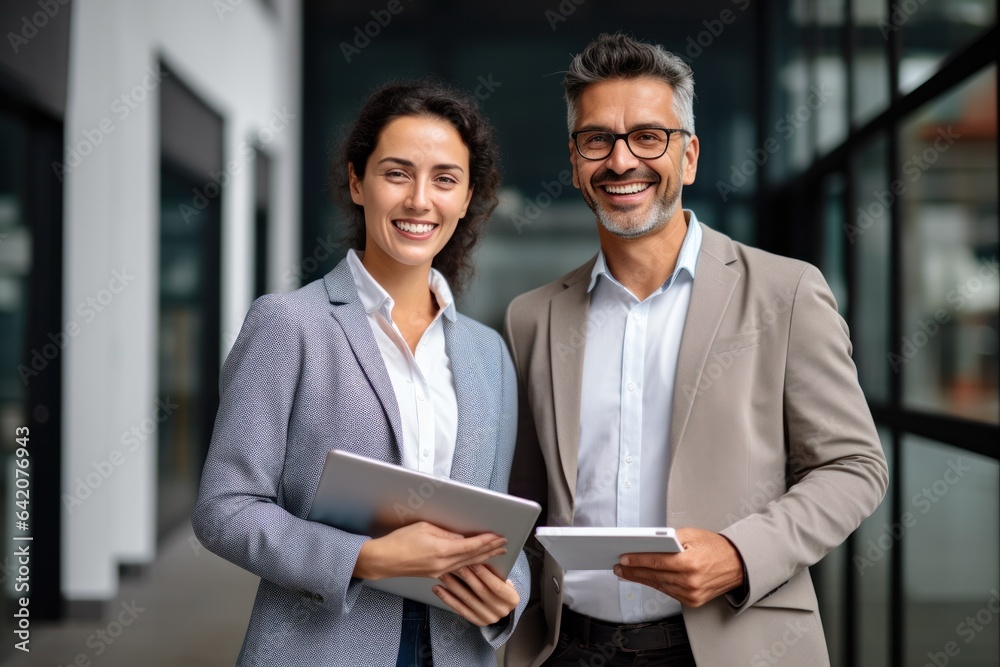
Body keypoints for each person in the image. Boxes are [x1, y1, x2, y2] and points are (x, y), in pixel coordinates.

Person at [503, 33, 888, 667]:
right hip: (567, 648)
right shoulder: (533, 317)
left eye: (649, 137)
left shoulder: (785, 293)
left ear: (689, 156)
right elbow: (526, 500)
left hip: (731, 644)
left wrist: (740, 555)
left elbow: (853, 468)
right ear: (575, 164)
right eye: (597, 139)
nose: (622, 161)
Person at [192, 79, 529, 667]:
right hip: (317, 648)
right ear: (357, 182)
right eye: (397, 173)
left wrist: (510, 593)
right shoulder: (289, 324)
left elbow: (497, 519)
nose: (420, 200)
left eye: (445, 179)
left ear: (468, 195)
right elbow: (225, 508)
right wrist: (366, 560)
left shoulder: (487, 353)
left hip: (453, 651)